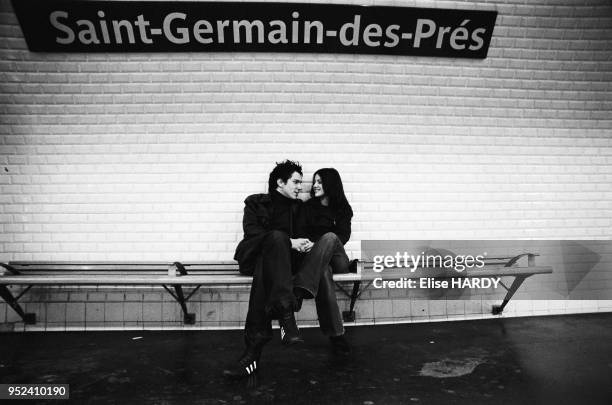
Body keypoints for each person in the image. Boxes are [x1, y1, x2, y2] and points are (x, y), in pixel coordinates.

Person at [224, 160, 310, 379]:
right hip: (253, 258)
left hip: (279, 266)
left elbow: (303, 237)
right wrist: (287, 242)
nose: (300, 187)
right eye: (296, 181)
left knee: (267, 265)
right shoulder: (255, 203)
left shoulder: (300, 208)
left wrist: (303, 243)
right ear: (280, 182)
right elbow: (252, 234)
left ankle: (254, 347)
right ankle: (286, 317)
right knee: (275, 238)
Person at [293, 168, 355, 354]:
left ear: (331, 184)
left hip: (338, 259)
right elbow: (300, 232)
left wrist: (318, 244)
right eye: (315, 181)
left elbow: (343, 236)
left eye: (320, 181)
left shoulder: (343, 208)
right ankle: (336, 335)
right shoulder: (308, 207)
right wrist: (311, 245)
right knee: (323, 272)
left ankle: (299, 289)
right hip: (318, 262)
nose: (315, 185)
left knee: (329, 237)